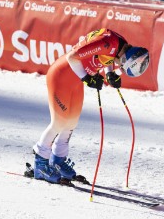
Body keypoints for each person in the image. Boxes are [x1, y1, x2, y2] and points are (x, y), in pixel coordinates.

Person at [32, 28, 150, 183]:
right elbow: (72, 56)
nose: (118, 69)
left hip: (75, 82)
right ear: (124, 58)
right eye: (120, 67)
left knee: (71, 122)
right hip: (61, 77)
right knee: (59, 123)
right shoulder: (108, 44)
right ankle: (40, 163)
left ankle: (57, 160)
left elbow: (109, 58)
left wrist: (109, 73)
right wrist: (87, 78)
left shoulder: (121, 46)